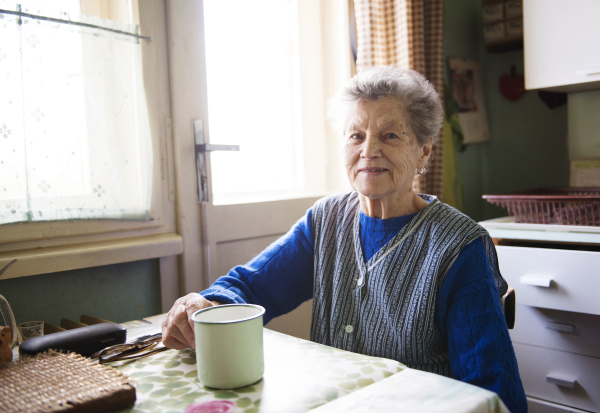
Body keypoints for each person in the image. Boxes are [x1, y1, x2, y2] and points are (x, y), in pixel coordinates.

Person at [162, 66, 527, 413]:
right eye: (356, 135)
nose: (368, 150)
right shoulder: (325, 219)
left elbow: (492, 391)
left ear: (424, 150)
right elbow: (253, 285)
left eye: (390, 135)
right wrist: (204, 303)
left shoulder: (460, 247)